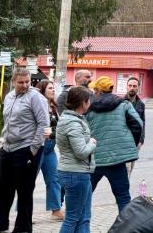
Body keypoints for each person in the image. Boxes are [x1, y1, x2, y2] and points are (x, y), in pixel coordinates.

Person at [0, 68, 49, 233]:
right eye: (21, 82)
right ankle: (0, 223)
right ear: (13, 81)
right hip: (7, 148)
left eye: (27, 81)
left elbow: (43, 124)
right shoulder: (9, 96)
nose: (25, 85)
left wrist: (33, 149)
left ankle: (23, 228)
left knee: (24, 190)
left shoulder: (36, 97)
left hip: (26, 148)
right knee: (3, 189)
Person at [85, 76, 143, 212]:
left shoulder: (89, 107)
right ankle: (126, 228)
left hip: (95, 159)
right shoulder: (124, 104)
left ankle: (81, 226)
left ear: (99, 90)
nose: (94, 91)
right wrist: (129, 143)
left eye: (95, 89)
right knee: (123, 198)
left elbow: (83, 129)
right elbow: (138, 124)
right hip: (117, 160)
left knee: (85, 196)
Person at [56, 86, 96, 233]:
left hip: (79, 173)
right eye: (89, 100)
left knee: (84, 217)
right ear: (83, 102)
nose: (90, 103)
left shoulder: (73, 119)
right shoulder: (72, 122)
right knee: (72, 218)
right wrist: (92, 143)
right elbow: (81, 152)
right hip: (75, 174)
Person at [34, 79, 63, 220]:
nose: (53, 90)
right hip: (37, 147)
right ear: (42, 89)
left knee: (54, 179)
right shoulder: (37, 105)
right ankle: (24, 212)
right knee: (29, 181)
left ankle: (56, 210)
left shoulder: (54, 107)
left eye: (53, 88)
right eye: (50, 88)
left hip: (50, 149)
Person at [125, 77, 146, 176]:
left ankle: (125, 189)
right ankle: (124, 190)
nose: (132, 88)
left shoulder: (141, 104)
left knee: (130, 168)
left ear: (138, 88)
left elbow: (143, 122)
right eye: (130, 86)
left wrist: (141, 140)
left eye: (134, 86)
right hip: (124, 142)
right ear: (127, 87)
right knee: (126, 168)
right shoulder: (120, 102)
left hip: (136, 142)